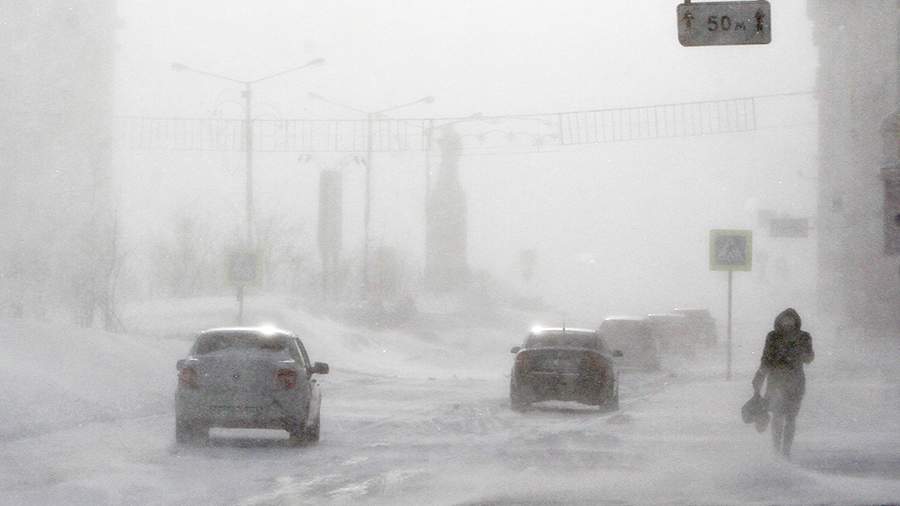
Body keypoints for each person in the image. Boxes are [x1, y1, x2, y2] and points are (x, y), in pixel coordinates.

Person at [752, 308, 814, 459]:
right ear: (779, 321)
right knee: (778, 415)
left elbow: (809, 358)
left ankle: (786, 451)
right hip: (776, 382)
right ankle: (776, 449)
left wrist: (801, 352)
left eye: (790, 319)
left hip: (796, 383)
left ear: (796, 321)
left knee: (791, 418)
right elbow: (766, 358)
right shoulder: (773, 336)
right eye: (785, 319)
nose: (787, 322)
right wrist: (759, 376)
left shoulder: (804, 336)